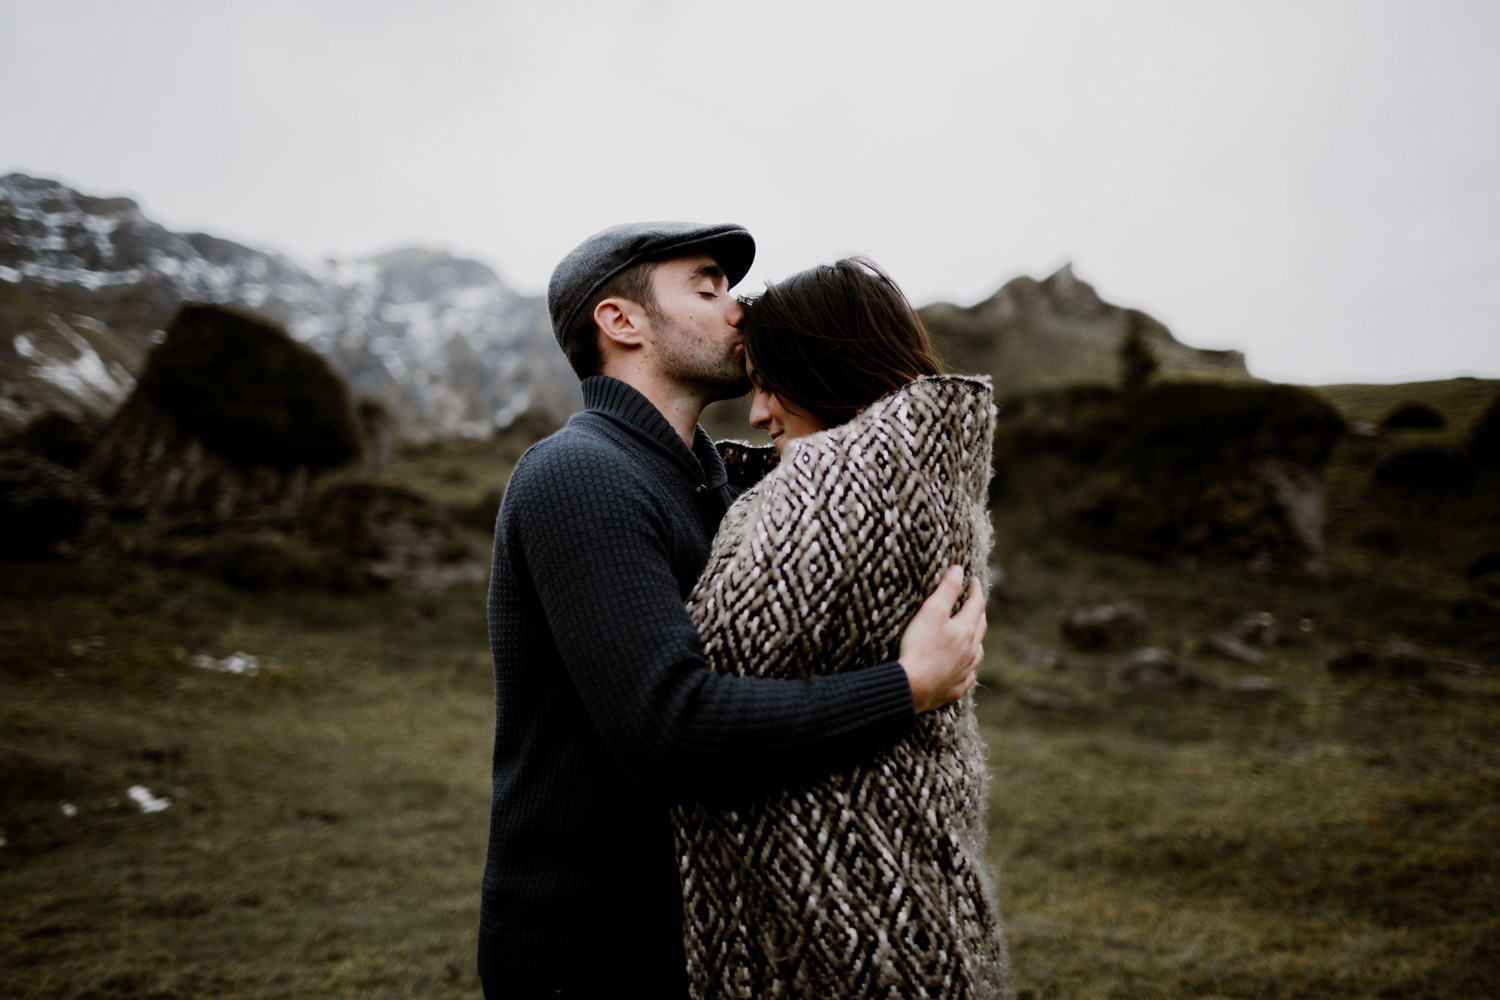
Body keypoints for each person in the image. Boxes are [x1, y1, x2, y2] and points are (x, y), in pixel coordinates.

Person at [478, 223, 988, 998]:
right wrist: (908, 686)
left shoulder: (723, 490)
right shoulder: (579, 476)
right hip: (594, 949)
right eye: (709, 289)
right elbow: (669, 730)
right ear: (622, 322)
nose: (739, 309)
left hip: (715, 944)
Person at [673, 257, 1011, 999]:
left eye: (769, 382)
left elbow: (712, 678)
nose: (759, 415)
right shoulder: (919, 463)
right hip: (895, 888)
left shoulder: (856, 485)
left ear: (825, 368)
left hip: (857, 917)